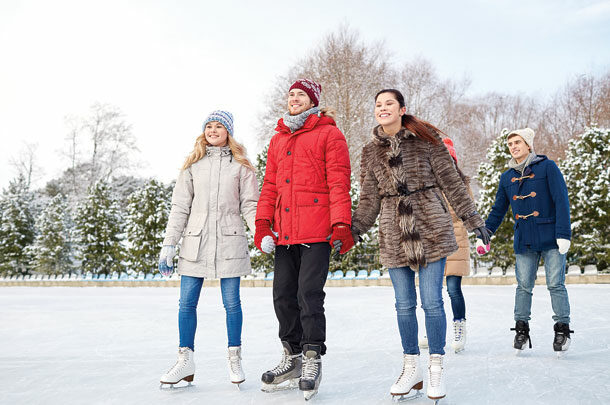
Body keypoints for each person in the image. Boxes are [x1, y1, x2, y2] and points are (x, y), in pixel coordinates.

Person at [351, 89, 490, 402]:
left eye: (389, 103)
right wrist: (354, 230)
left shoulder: (428, 142)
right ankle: (411, 368)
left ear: (402, 109)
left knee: (432, 302)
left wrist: (473, 220)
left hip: (431, 228)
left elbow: (452, 183)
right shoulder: (370, 152)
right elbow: (369, 199)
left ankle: (436, 367)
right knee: (403, 305)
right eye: (378, 104)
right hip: (393, 232)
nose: (383, 108)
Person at [254, 79, 353, 400]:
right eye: (291, 94)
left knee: (309, 295)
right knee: (282, 295)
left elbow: (339, 181)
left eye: (301, 95)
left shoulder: (330, 134)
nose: (294, 98)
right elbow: (269, 185)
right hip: (285, 232)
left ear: (312, 101)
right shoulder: (278, 139)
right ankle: (292, 357)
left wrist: (341, 224)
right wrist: (262, 224)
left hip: (317, 228)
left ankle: (312, 357)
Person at [157, 110, 260, 388]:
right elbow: (180, 207)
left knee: (232, 303)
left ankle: (234, 357)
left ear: (229, 132)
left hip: (230, 240)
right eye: (209, 126)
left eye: (219, 126)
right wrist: (169, 244)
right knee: (186, 304)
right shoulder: (192, 165)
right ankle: (185, 361)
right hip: (195, 241)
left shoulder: (242, 166)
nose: (213, 130)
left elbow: (250, 205)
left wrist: (260, 232)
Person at [483, 128, 573, 354]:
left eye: (517, 142)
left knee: (555, 284)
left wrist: (564, 234)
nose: (513, 146)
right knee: (524, 286)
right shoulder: (507, 177)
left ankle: (562, 329)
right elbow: (498, 211)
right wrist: (484, 234)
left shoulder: (547, 167)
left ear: (529, 145)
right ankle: (521, 329)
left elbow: (561, 200)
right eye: (510, 143)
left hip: (552, 236)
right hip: (524, 238)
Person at [419, 138, 472, 354]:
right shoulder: (425, 182)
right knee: (431, 290)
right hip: (432, 241)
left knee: (452, 288)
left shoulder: (461, 183)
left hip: (456, 239)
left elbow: (469, 210)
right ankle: (432, 329)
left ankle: (459, 325)